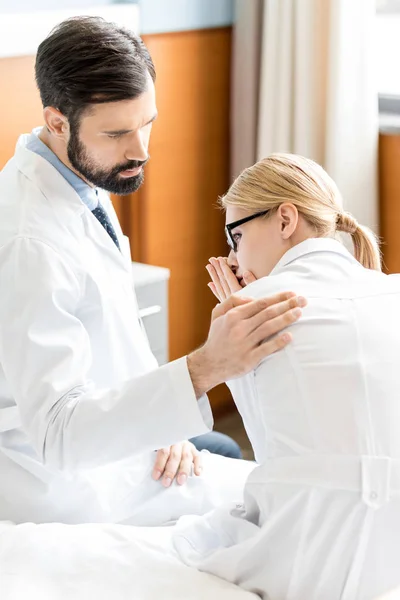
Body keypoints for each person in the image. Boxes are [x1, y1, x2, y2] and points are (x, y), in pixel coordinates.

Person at [0, 18, 304, 525]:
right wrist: (205, 368)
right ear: (56, 122)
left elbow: (112, 337)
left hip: (114, 436)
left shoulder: (80, 175)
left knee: (222, 451)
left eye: (148, 123)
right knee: (250, 490)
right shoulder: (29, 240)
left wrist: (165, 424)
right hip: (62, 480)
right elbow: (56, 434)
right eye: (118, 132)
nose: (141, 150)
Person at [173, 154, 400, 600]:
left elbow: (271, 451)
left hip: (309, 553)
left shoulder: (255, 307)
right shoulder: (392, 291)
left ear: (285, 219)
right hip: (391, 551)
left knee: (191, 536)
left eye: (235, 236)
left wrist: (234, 314)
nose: (233, 258)